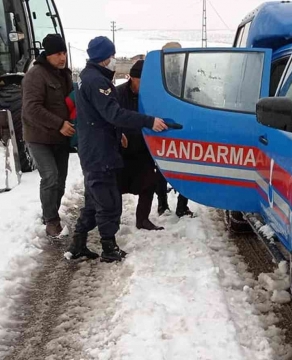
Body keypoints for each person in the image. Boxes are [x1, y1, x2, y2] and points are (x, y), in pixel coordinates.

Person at [65, 36, 168, 263]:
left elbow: (98, 115)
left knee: (94, 199)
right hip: (100, 150)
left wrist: (117, 132)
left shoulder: (85, 77)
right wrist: (148, 121)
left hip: (93, 146)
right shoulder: (97, 82)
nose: (113, 60)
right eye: (111, 56)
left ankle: (78, 243)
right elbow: (114, 113)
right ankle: (109, 249)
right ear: (104, 58)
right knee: (109, 201)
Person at [22, 34, 75, 238]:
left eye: (64, 53)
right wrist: (59, 123)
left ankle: (50, 212)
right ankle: (51, 220)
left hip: (61, 138)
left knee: (60, 181)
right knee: (50, 177)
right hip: (39, 136)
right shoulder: (36, 75)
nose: (62, 58)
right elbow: (31, 109)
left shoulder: (65, 74)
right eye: (58, 54)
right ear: (48, 54)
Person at [115, 60, 164, 231]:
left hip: (144, 147)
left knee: (149, 183)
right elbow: (111, 116)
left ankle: (142, 219)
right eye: (141, 81)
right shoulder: (118, 93)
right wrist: (118, 132)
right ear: (132, 78)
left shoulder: (153, 96)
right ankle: (114, 220)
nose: (144, 85)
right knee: (116, 186)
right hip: (122, 148)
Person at [155, 41, 195, 218]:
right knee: (162, 168)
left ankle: (181, 205)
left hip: (182, 129)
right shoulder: (158, 77)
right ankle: (163, 204)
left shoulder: (187, 76)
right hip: (164, 128)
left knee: (185, 168)